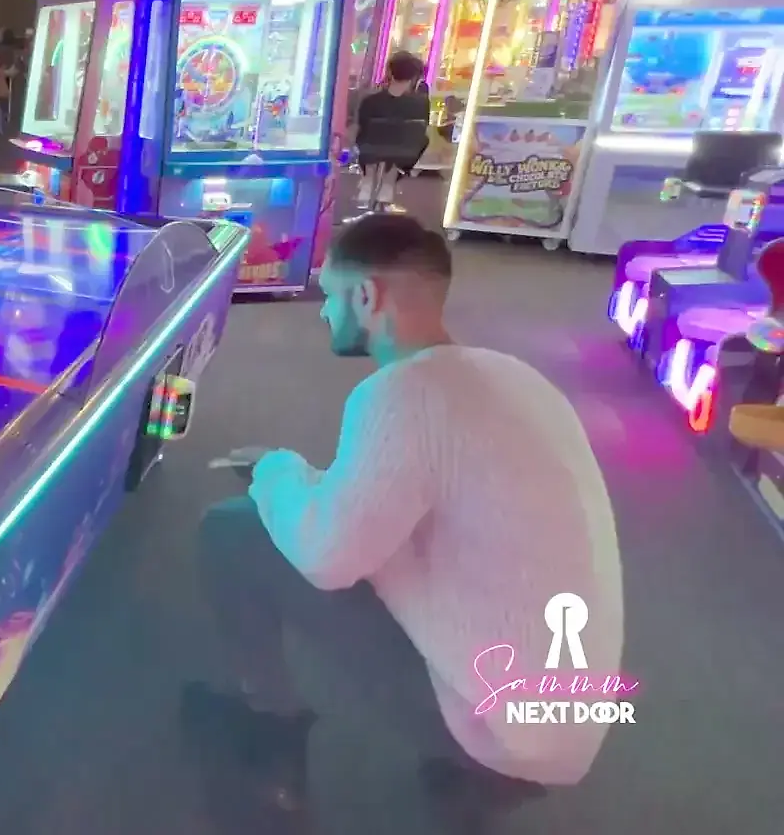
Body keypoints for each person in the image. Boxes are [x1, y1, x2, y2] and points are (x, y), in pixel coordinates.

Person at [186, 214, 623, 810]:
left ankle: (269, 730)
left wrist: (275, 470)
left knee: (233, 530)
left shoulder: (402, 393)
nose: (322, 312)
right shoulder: (517, 378)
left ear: (367, 296)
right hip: (567, 720)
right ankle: (478, 779)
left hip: (497, 728)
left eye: (330, 294)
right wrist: (305, 480)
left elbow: (326, 558)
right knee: (320, 525)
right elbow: (398, 504)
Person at [353, 51, 432, 212]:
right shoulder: (421, 103)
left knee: (368, 139)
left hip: (370, 150)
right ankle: (389, 184)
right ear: (414, 78)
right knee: (419, 140)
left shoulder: (370, 101)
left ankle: (368, 179)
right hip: (404, 153)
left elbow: (361, 126)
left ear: (389, 72)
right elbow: (422, 128)